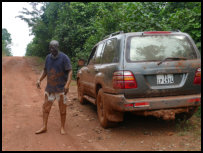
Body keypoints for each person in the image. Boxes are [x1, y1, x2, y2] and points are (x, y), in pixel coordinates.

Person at [35, 40, 72, 135]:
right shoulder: (48, 58)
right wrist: (39, 79)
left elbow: (70, 71)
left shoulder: (64, 58)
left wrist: (67, 84)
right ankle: (44, 126)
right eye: (50, 47)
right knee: (46, 108)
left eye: (54, 47)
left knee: (62, 110)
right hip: (50, 89)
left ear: (58, 47)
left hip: (61, 89)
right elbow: (45, 70)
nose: (52, 49)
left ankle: (62, 128)